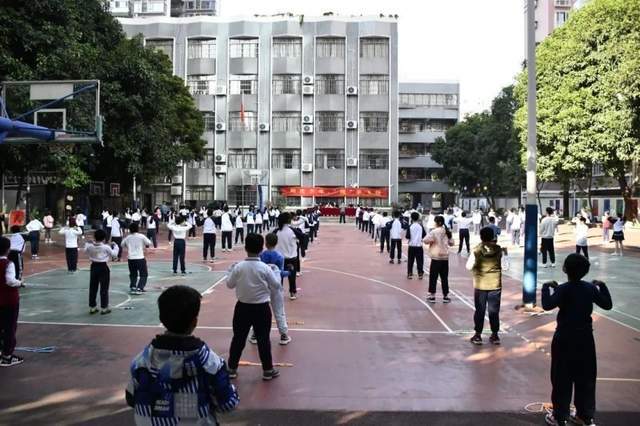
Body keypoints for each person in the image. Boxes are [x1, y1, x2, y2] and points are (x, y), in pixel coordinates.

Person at [126, 285, 239, 424]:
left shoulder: (141, 362)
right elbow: (227, 404)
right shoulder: (210, 363)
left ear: (161, 318)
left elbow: (131, 398)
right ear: (194, 322)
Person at [541, 254, 612, 426]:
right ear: (586, 271)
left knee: (561, 377)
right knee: (585, 377)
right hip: (585, 337)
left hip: (564, 337)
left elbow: (547, 305)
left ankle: (560, 416)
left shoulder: (563, 289)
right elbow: (607, 304)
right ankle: (585, 416)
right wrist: (602, 286)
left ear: (565, 269)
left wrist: (545, 288)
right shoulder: (590, 288)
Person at [226, 233, 282, 381]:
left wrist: (229, 271)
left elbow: (229, 284)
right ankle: (267, 369)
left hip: (242, 307)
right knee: (263, 339)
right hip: (261, 308)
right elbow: (276, 286)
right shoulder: (265, 268)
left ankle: (231, 368)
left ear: (245, 248)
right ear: (261, 248)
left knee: (238, 338)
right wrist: (276, 272)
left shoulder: (239, 267)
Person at [466, 227, 507, 345]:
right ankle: (495, 335)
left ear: (481, 237)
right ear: (493, 237)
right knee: (494, 311)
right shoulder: (499, 250)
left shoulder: (476, 250)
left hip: (480, 284)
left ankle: (478, 335)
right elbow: (505, 266)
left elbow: (468, 266)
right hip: (495, 284)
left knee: (480, 310)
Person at [254, 232, 291, 345]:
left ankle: (255, 334)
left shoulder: (261, 256)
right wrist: (289, 272)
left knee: (259, 311)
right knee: (279, 310)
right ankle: (283, 335)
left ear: (266, 242)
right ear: (276, 243)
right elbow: (279, 273)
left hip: (263, 286)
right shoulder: (280, 256)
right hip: (275, 286)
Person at [0, 236, 24, 367]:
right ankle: (7, 356)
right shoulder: (9, 264)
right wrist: (20, 283)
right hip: (9, 300)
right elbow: (10, 281)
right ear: (7, 250)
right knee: (9, 327)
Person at [84, 229, 119, 315]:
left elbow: (85, 250)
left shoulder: (90, 247)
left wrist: (88, 242)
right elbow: (114, 254)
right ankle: (104, 308)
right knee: (104, 288)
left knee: (93, 287)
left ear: (95, 237)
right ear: (104, 238)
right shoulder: (106, 247)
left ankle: (92, 307)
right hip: (103, 267)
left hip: (94, 267)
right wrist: (115, 246)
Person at [424, 215, 454, 303]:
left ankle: (432, 295)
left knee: (433, 277)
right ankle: (446, 295)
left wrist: (432, 241)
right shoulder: (447, 231)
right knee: (444, 277)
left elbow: (425, 240)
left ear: (438, 223)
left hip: (436, 257)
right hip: (445, 258)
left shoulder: (434, 232)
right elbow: (452, 243)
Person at [121, 223, 152, 295]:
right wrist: (143, 245)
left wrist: (128, 246)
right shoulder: (141, 236)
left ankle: (133, 286)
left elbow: (122, 244)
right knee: (143, 274)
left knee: (133, 273)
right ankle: (140, 287)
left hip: (131, 258)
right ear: (137, 229)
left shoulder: (128, 237)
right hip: (140, 257)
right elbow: (149, 242)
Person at [274, 213, 298, 300]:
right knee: (292, 276)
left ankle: (278, 293)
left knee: (278, 276)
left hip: (279, 258)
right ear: (288, 220)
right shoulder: (292, 230)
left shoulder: (276, 231)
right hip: (291, 258)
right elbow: (303, 237)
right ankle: (292, 292)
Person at [406, 212, 426, 280]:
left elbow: (407, 236)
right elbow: (424, 235)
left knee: (410, 260)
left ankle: (409, 273)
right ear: (418, 218)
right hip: (419, 246)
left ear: (411, 218)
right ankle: (420, 273)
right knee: (420, 260)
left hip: (411, 245)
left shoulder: (410, 226)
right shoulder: (420, 226)